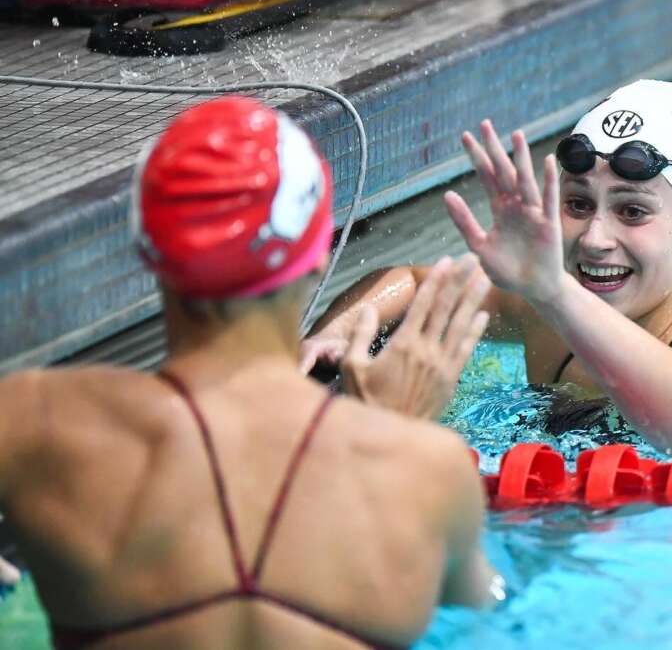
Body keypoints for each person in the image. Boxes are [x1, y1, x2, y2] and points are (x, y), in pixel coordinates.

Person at [0, 96, 501, 650]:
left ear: (147, 250)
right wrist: (392, 432)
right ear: (315, 256)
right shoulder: (430, 471)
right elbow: (480, 606)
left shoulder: (33, 422)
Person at [303, 80, 672, 452]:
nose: (595, 240)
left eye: (632, 211)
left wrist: (554, 290)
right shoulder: (544, 311)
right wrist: (335, 334)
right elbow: (409, 285)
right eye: (578, 204)